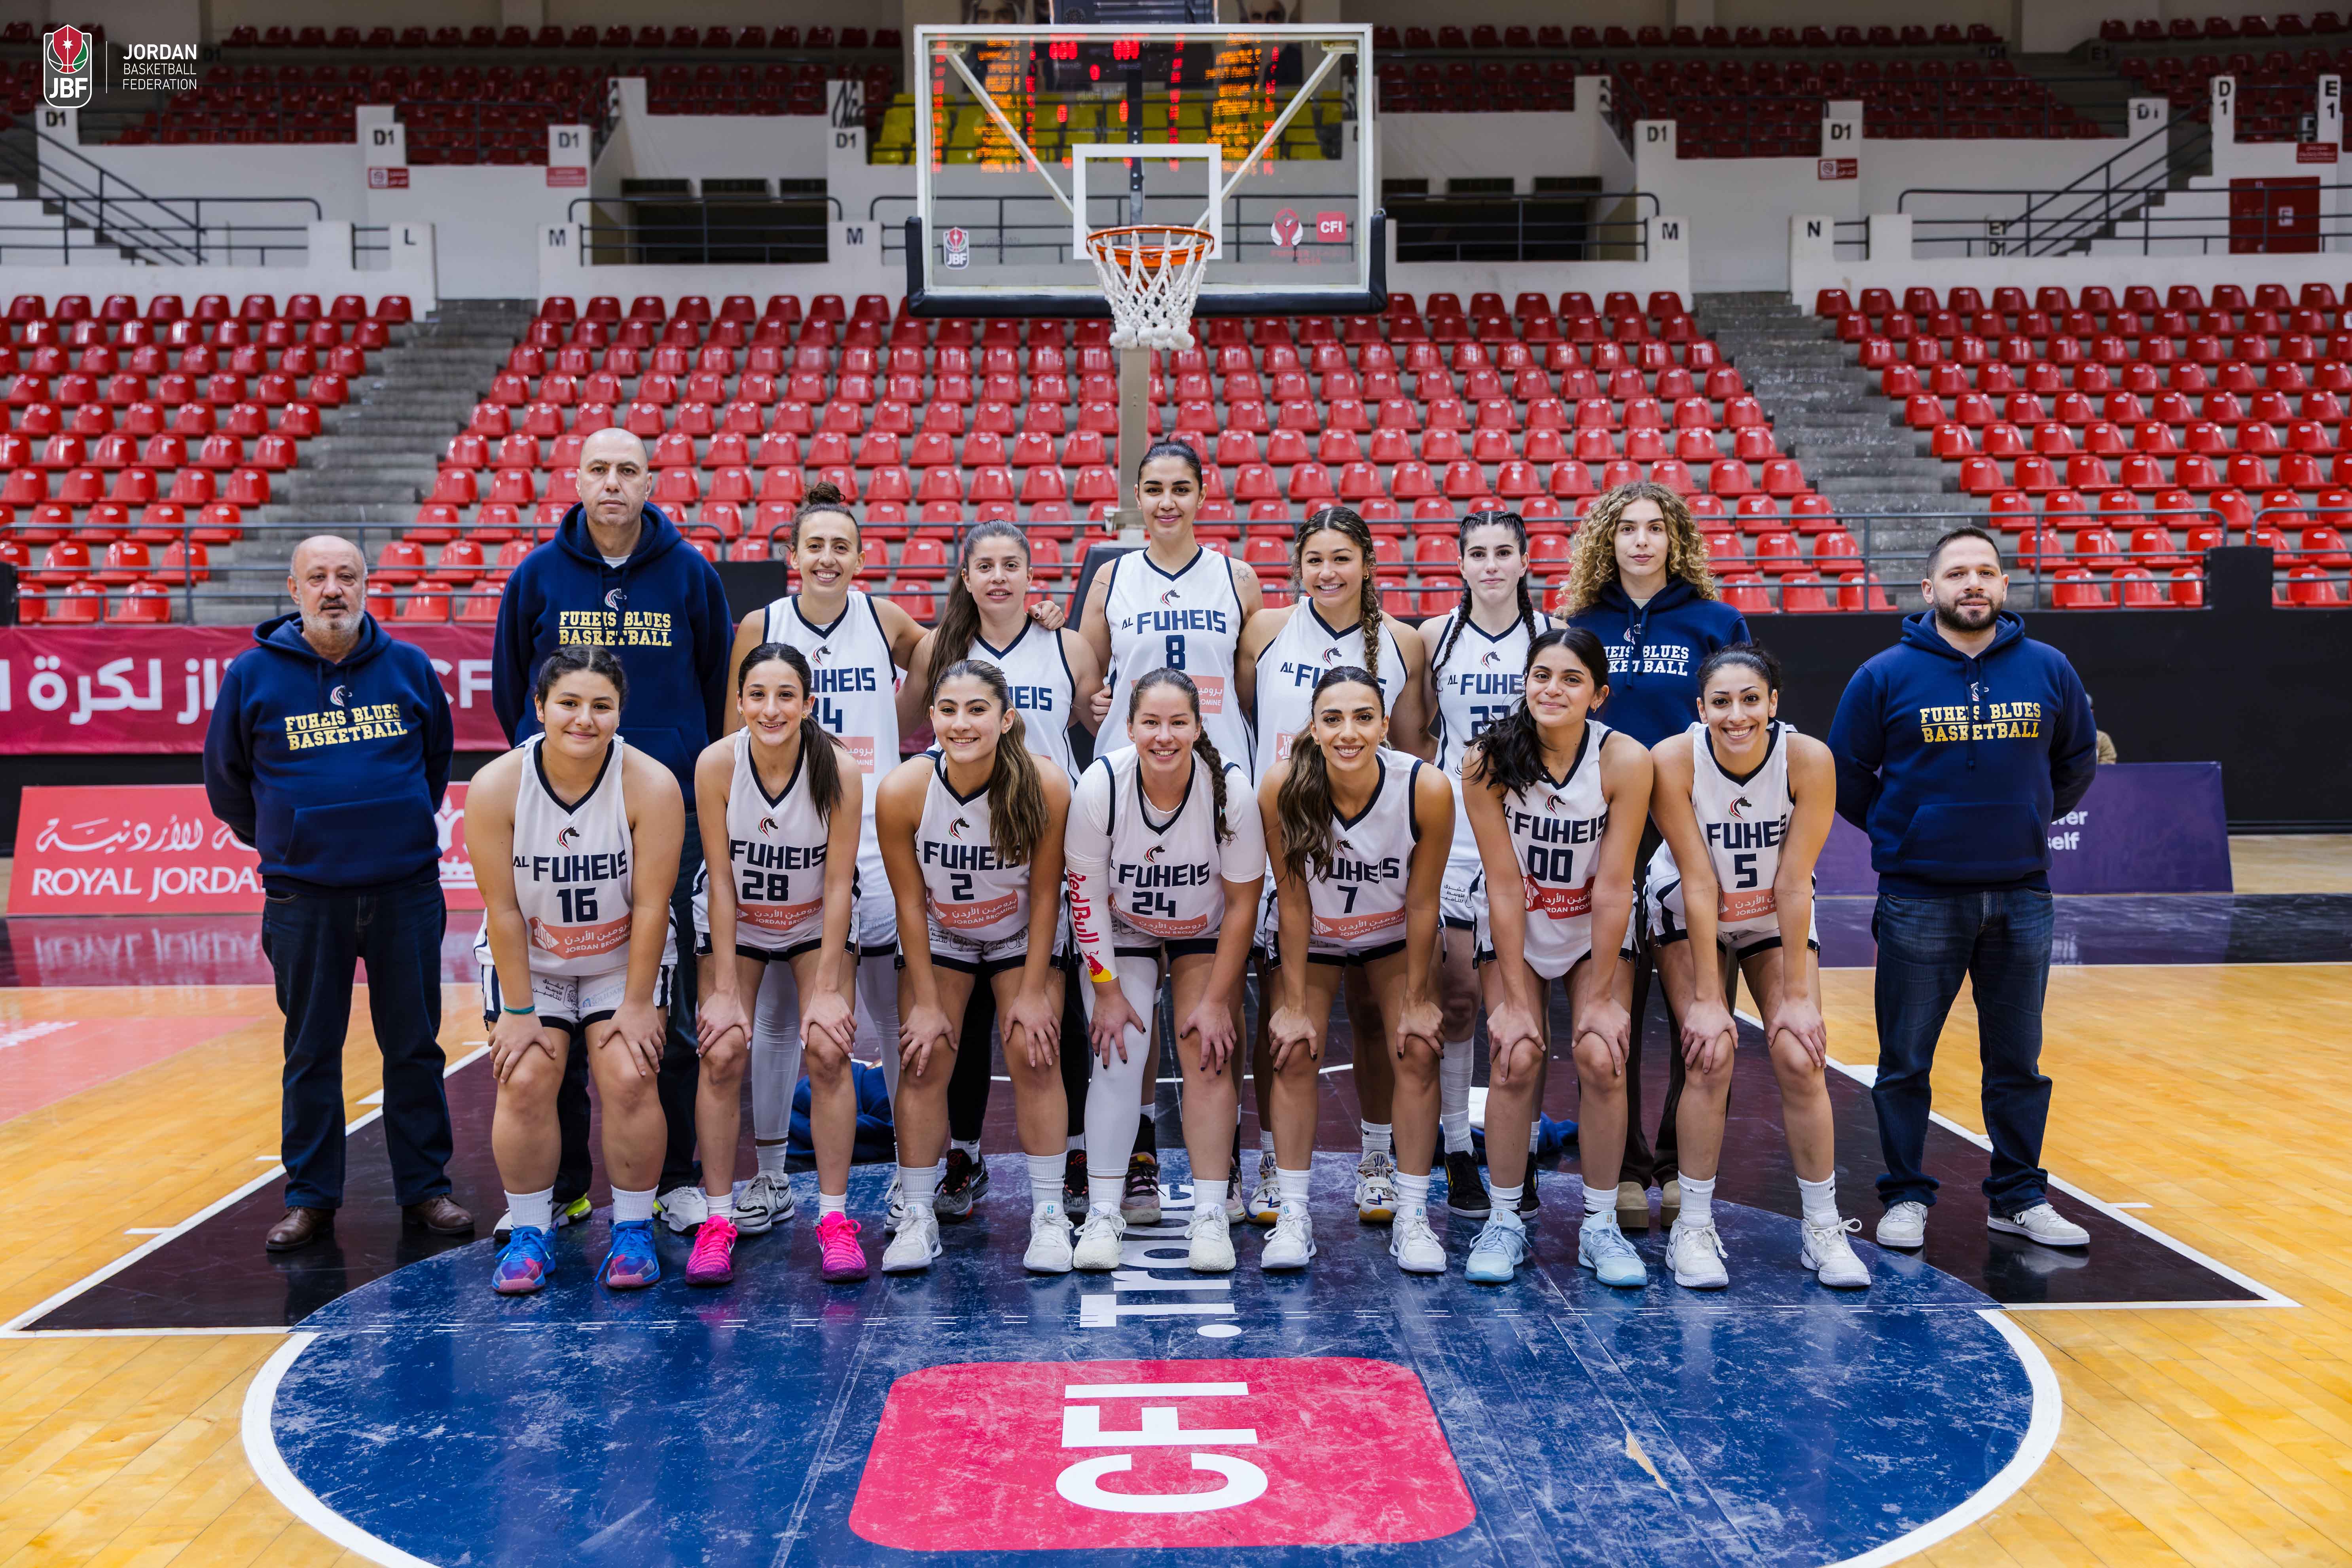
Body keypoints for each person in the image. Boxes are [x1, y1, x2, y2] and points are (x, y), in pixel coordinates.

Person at [728, 486, 1063, 1230]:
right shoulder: (761, 625)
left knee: (900, 1010)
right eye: (813, 546)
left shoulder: (885, 621)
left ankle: (912, 1181)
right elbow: (734, 737)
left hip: (878, 831)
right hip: (789, 834)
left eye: (840, 547)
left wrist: (1035, 616)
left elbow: (960, 651)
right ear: (791, 556)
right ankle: (773, 1175)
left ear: (860, 557)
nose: (826, 558)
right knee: (779, 1013)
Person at [490, 427, 733, 1241]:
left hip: (667, 809)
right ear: (578, 479)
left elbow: (714, 680)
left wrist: (678, 764)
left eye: (628, 470)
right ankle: (562, 1189)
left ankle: (673, 1180)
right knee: (553, 1009)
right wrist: (561, 767)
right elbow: (512, 690)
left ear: (650, 482)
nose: (613, 483)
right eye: (599, 469)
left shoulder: (690, 572)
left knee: (667, 1008)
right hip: (559, 807)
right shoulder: (537, 575)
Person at [1828, 525, 2097, 1253]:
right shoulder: (1883, 674)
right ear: (1929, 589)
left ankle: (2017, 1196)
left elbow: (2075, 761)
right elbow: (1845, 773)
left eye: (1985, 571)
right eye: (1956, 573)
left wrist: (2025, 821)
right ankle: (1904, 1195)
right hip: (1918, 895)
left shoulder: (2048, 667)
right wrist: (1906, 830)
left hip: (2021, 893)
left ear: (2004, 585)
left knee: (2017, 1064)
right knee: (1904, 1062)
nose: (1971, 583)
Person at [204, 535, 471, 1253]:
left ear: (366, 584)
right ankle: (310, 1199)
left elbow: (435, 762)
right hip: (304, 897)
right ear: (293, 590)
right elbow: (227, 782)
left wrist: (393, 823)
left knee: (414, 1048)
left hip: (405, 888)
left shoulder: (409, 667)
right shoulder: (252, 674)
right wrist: (287, 839)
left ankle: (427, 1188)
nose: (333, 589)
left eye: (346, 576)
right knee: (311, 1051)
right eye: (317, 577)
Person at [1644, 644, 1869, 1291]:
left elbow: (1795, 881)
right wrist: (1708, 998)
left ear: (1773, 703)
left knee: (1800, 1054)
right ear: (1700, 708)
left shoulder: (1807, 759)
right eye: (1720, 702)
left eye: (1750, 699)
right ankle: (1691, 1227)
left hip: (1773, 911)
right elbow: (1696, 881)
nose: (1736, 715)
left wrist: (1797, 996)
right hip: (1690, 908)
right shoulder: (1672, 759)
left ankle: (1822, 1228)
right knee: (1709, 1053)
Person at [1561, 480, 1751, 1235]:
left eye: (1654, 528)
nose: (1640, 541)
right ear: (1606, 541)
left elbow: (1739, 718)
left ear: (1676, 540)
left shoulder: (1715, 621)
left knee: (1697, 1001)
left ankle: (1677, 1163)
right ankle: (1627, 1167)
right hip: (1605, 827)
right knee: (1613, 1001)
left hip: (1692, 829)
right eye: (1626, 528)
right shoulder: (1581, 624)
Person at [1080, 439, 1264, 1216]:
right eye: (1153, 488)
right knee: (1127, 996)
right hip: (1132, 786)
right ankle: (1138, 1163)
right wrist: (1097, 704)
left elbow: (1251, 683)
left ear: (1201, 494)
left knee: (1218, 994)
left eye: (1180, 488)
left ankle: (1230, 1164)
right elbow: (1088, 679)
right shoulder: (1110, 577)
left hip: (1215, 787)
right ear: (1136, 494)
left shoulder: (1237, 576)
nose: (1166, 501)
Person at [1237, 506, 1431, 1226]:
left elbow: (1409, 744)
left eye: (1342, 558)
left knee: (1377, 1016)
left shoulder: (1403, 641)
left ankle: (1377, 1158)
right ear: (1297, 566)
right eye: (1314, 559)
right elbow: (1247, 719)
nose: (1327, 572)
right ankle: (1271, 1158)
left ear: (1368, 564)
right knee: (1280, 1013)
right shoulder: (1263, 631)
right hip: (1289, 842)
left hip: (1375, 849)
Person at [468, 647, 683, 1294]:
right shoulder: (497, 786)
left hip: (621, 955)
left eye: (601, 706)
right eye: (568, 703)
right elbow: (503, 910)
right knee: (526, 1076)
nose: (584, 719)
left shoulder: (651, 784)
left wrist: (639, 1004)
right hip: (531, 958)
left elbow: (652, 906)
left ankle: (634, 1228)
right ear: (539, 708)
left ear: (620, 713)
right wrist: (518, 1012)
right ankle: (531, 1232)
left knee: (629, 1072)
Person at [907, 521, 1104, 1223]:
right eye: (984, 566)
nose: (997, 577)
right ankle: (964, 1152)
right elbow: (904, 722)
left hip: (1052, 828)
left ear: (1030, 575)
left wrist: (1101, 705)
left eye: (1010, 565)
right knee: (969, 1009)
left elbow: (1099, 721)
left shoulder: (1066, 643)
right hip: (965, 833)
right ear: (965, 578)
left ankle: (1075, 1150)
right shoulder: (940, 646)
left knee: (1057, 1008)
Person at [1459, 628, 1649, 1286]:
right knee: (1514, 1056)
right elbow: (1503, 885)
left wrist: (1599, 999)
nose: (1552, 689)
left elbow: (1615, 885)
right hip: (1519, 914)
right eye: (1541, 675)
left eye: (1571, 679)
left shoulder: (1624, 760)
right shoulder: (1486, 760)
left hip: (1593, 920)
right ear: (1525, 683)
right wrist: (1515, 1002)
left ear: (1598, 695)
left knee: (1601, 1054)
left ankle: (1599, 1226)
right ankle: (1504, 1219)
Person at [875, 659, 1073, 1274]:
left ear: (1006, 719)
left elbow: (1046, 897)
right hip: (944, 931)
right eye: (948, 710)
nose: (961, 723)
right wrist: (926, 1002)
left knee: (1033, 1049)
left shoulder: (1045, 784)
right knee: (923, 1054)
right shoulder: (902, 790)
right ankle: (917, 1215)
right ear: (931, 718)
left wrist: (1034, 992)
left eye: (977, 710)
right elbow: (909, 904)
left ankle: (1049, 1215)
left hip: (1020, 929)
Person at [1064, 669, 1264, 1273]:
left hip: (1203, 925)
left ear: (1199, 728)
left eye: (1178, 722)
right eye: (1150, 722)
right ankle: (1104, 1211)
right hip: (1122, 927)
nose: (1164, 736)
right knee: (1118, 1050)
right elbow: (1083, 896)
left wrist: (1218, 1001)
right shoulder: (1101, 785)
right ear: (1128, 728)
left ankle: (1208, 1212)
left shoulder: (1230, 790)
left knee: (1207, 1049)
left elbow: (1243, 905)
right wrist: (1106, 993)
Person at [1257, 667, 1451, 1275]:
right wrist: (1292, 1005)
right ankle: (1293, 1214)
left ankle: (1411, 1214)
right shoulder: (1282, 785)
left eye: (1363, 718)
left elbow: (1422, 902)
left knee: (1417, 1046)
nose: (1348, 732)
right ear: (1313, 728)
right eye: (1333, 719)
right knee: (1293, 1048)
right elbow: (1293, 903)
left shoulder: (1425, 788)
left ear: (1384, 725)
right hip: (1315, 931)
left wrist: (1418, 998)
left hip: (1393, 931)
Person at [689, 643, 867, 1285]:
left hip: (815, 916)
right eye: (758, 695)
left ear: (808, 704)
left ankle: (835, 1219)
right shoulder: (717, 763)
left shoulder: (838, 768)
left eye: (786, 695)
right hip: (738, 917)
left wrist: (828, 988)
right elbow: (720, 880)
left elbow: (840, 883)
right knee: (720, 1050)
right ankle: (717, 1221)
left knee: (828, 1048)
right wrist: (724, 990)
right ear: (740, 702)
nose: (771, 709)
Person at [1418, 508, 1556, 1221]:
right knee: (1458, 1001)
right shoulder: (1433, 637)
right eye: (1478, 553)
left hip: (1530, 832)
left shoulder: (1551, 636)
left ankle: (1523, 1152)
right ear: (1461, 563)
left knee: (1525, 1002)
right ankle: (1456, 1150)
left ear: (1526, 561)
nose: (1492, 564)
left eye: (1504, 552)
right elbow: (1415, 733)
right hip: (1455, 834)